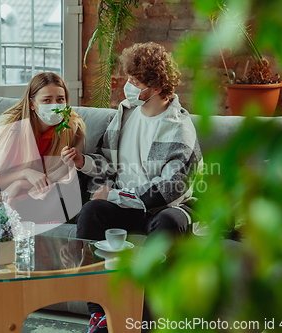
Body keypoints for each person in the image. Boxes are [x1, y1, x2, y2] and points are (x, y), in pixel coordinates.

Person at [68, 42, 203, 333]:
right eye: (128, 79)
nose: (127, 87)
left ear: (155, 87)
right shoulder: (125, 113)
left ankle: (146, 321)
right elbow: (107, 162)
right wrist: (83, 162)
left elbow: (171, 189)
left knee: (168, 221)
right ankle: (100, 314)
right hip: (126, 205)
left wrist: (116, 195)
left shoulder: (179, 127)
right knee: (91, 212)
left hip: (166, 208)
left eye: (135, 82)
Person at [0, 72, 86, 224]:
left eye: (60, 99)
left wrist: (20, 184)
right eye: (46, 100)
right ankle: (10, 214)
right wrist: (24, 173)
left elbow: (64, 174)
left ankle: (6, 217)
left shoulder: (73, 126)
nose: (55, 106)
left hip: (38, 194)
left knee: (67, 196)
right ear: (32, 103)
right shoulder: (10, 127)